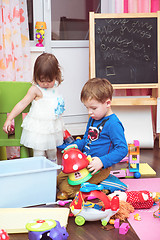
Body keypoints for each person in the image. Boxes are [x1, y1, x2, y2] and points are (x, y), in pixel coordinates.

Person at [57, 77, 128, 199]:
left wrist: (102, 162)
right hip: (85, 162)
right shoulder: (93, 118)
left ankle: (108, 185)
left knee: (66, 189)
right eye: (87, 108)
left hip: (98, 167)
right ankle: (100, 183)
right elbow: (86, 140)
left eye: (93, 108)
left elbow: (122, 149)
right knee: (59, 180)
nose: (89, 112)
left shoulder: (113, 124)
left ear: (107, 103)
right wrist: (76, 145)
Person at [3, 53, 65, 162]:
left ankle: (53, 173)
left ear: (56, 76)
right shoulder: (35, 90)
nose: (45, 84)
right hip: (39, 129)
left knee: (52, 151)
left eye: (49, 81)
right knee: (39, 152)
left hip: (51, 127)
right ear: (36, 76)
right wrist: (9, 118)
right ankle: (38, 173)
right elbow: (22, 104)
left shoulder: (55, 85)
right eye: (42, 80)